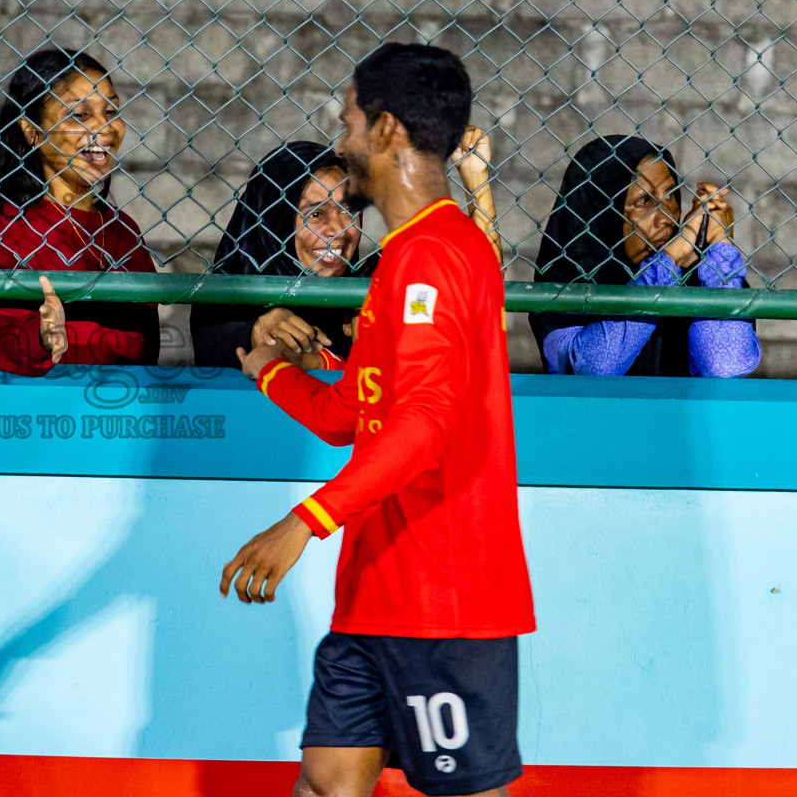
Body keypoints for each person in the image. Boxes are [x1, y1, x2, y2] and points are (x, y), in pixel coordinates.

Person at [222, 43, 535, 797]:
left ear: (388, 130)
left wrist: (302, 521)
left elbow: (424, 429)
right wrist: (270, 371)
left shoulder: (436, 256)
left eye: (349, 122)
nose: (341, 142)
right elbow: (352, 416)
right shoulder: (404, 259)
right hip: (374, 595)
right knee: (329, 781)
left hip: (447, 603)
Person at [0, 47, 157, 374]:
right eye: (79, 115)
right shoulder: (0, 227)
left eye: (110, 111)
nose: (103, 129)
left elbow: (147, 350)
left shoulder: (124, 231)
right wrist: (36, 335)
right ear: (32, 131)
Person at [529, 135, 760, 378]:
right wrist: (665, 266)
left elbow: (724, 365)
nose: (667, 218)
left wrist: (721, 249)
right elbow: (595, 368)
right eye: (644, 201)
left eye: (670, 196)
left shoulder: (706, 275)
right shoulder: (563, 278)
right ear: (600, 213)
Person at [191, 142, 366, 370]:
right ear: (274, 222)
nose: (337, 228)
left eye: (347, 210)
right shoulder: (218, 298)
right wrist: (256, 332)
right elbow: (214, 344)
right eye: (315, 213)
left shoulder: (372, 288)